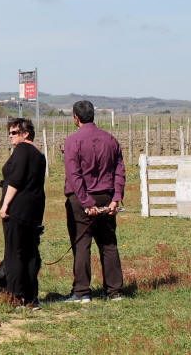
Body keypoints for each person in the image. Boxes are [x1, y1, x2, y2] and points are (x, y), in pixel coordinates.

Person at [63, 100, 126, 303]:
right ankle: (114, 291)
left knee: (82, 244)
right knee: (108, 244)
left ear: (76, 117)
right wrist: (116, 198)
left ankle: (82, 292)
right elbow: (120, 171)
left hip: (81, 199)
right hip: (107, 196)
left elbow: (74, 175)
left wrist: (86, 202)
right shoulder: (110, 139)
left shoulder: (73, 141)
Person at [0, 117, 46, 309]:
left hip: (17, 210)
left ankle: (17, 297)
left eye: (15, 132)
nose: (10, 136)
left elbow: (15, 181)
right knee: (31, 253)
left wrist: (5, 205)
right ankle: (32, 297)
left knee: (14, 253)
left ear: (26, 133)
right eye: (9, 133)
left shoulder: (22, 150)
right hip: (34, 209)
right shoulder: (38, 153)